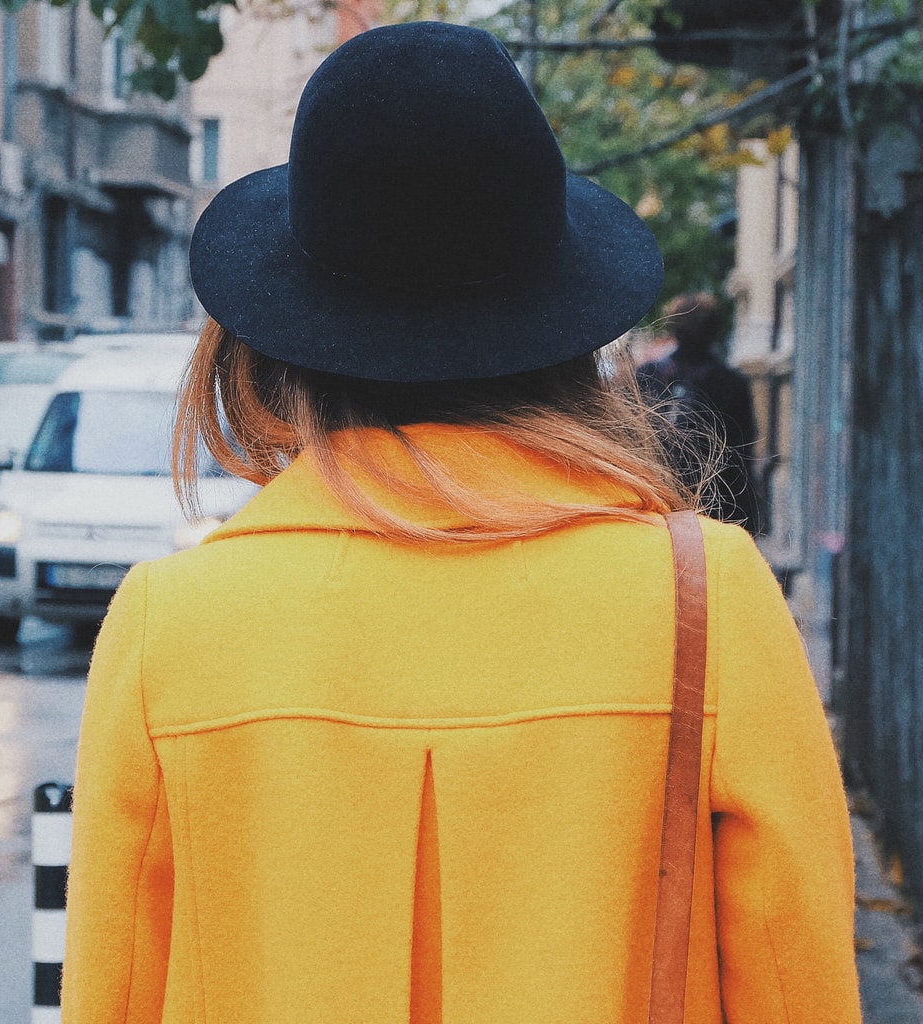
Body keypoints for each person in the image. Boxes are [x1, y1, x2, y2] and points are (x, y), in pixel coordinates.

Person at [63, 22, 859, 1024]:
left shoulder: (169, 628)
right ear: (562, 316)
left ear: (283, 335)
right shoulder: (706, 602)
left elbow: (114, 999)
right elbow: (800, 989)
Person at [636, 292, 764, 535]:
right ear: (715, 330)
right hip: (720, 501)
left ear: (673, 328)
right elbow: (744, 450)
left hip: (661, 500)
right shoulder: (731, 383)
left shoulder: (648, 376)